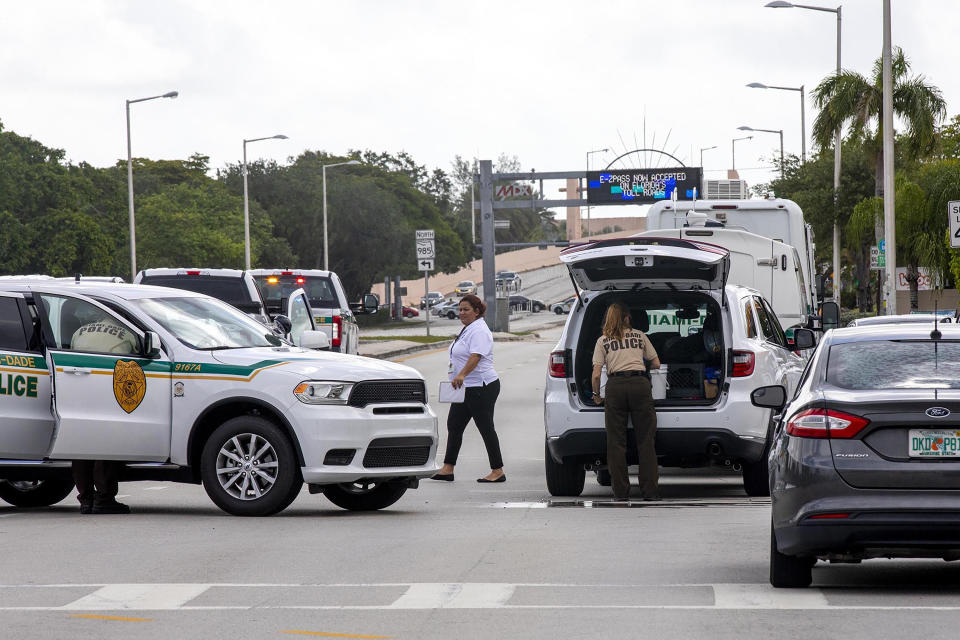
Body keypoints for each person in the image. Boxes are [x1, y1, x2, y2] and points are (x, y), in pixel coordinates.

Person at [69, 308, 137, 514]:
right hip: (107, 391)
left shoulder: (80, 331)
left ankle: (86, 500)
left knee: (81, 446)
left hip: (77, 392)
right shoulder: (129, 335)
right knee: (106, 445)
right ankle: (104, 497)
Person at [591, 302, 661, 502]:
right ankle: (650, 492)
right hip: (640, 385)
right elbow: (656, 363)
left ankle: (620, 492)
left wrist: (597, 395)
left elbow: (596, 375)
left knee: (616, 443)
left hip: (615, 387)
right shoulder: (639, 335)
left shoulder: (603, 341)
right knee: (646, 441)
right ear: (627, 318)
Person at [431, 294, 505, 483]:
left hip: (481, 386)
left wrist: (462, 373)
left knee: (485, 427)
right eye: (460, 309)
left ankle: (498, 471)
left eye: (466, 309)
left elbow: (476, 356)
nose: (462, 313)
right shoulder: (468, 329)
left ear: (477, 311)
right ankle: (448, 468)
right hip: (465, 388)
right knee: (454, 425)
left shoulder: (479, 330)